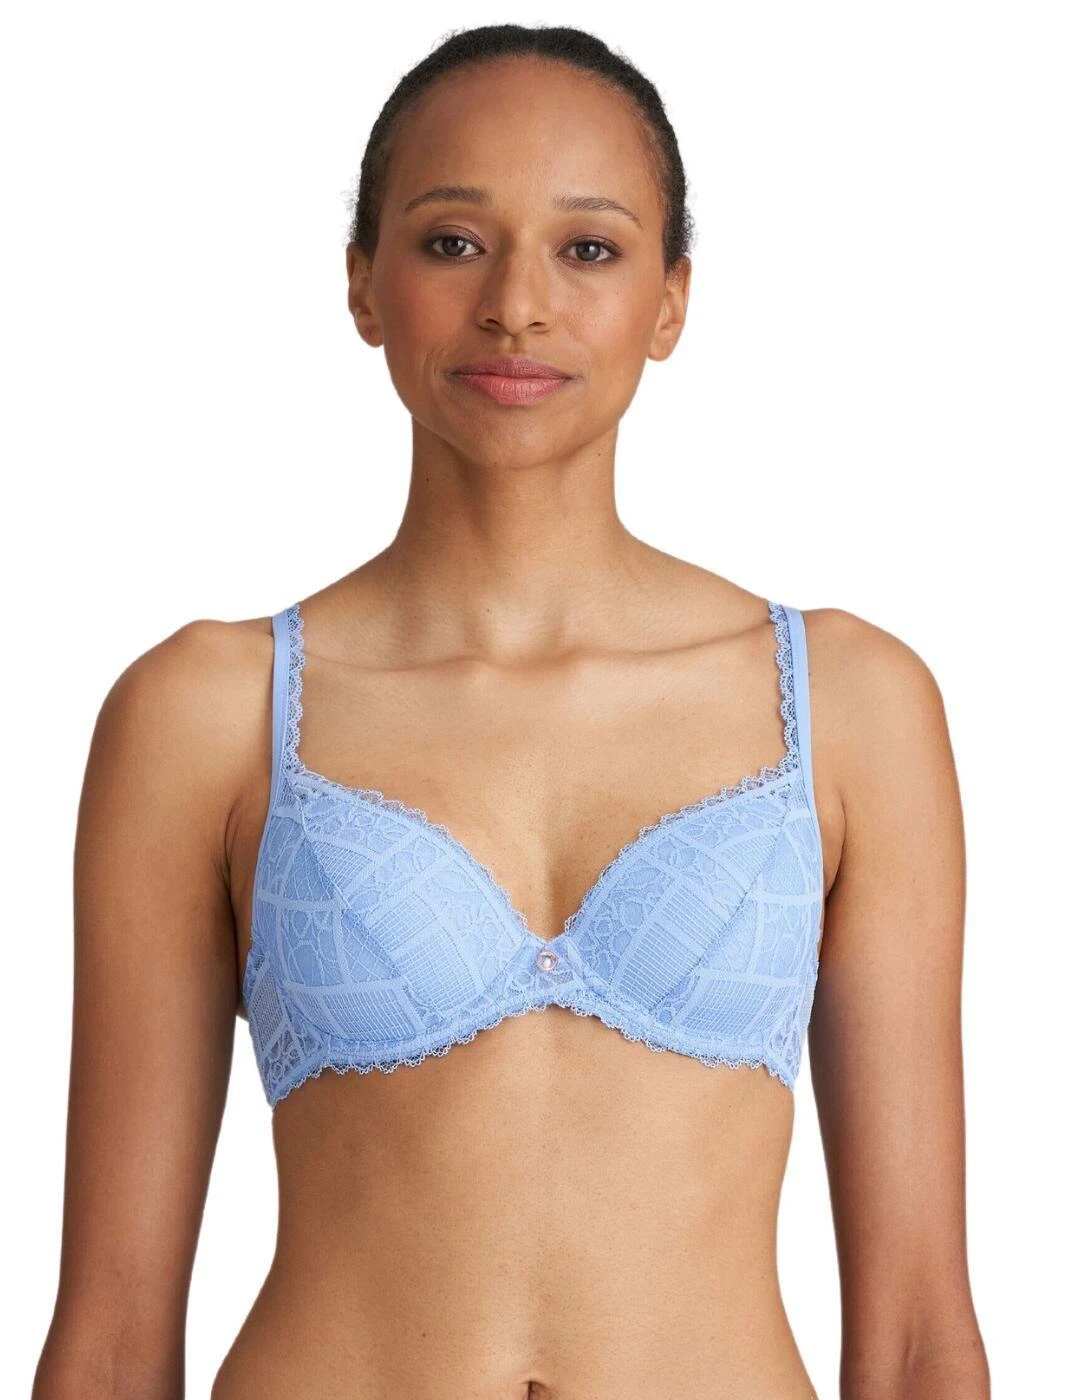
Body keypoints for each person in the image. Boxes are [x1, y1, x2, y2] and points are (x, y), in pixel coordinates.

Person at [33, 23, 990, 1400]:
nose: (517, 306)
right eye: (452, 242)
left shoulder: (847, 707)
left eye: (588, 248)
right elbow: (116, 1332)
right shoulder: (204, 713)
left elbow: (914, 1335)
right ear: (362, 283)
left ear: (672, 301)